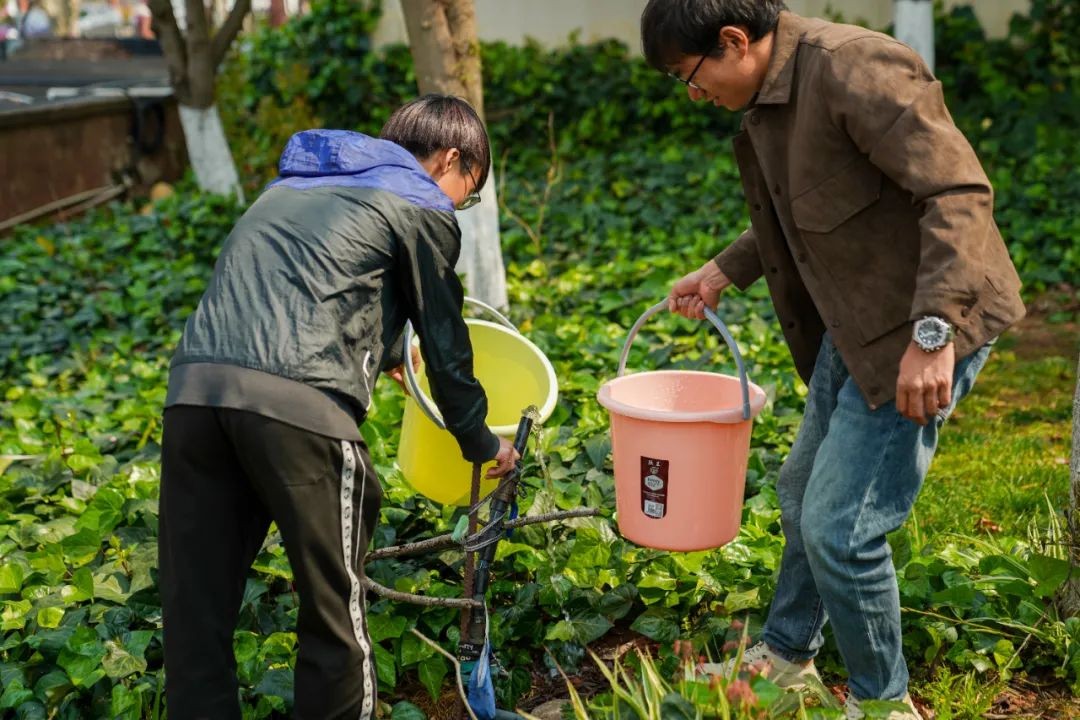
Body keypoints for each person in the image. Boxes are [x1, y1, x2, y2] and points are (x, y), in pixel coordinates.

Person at [640, 1, 1025, 718]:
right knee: (799, 494)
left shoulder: (853, 67)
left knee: (841, 530)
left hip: (925, 325)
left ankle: (884, 705)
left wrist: (933, 335)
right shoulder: (770, 95)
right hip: (856, 322)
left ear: (733, 40)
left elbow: (958, 195)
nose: (693, 96)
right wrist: (724, 270)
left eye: (689, 78)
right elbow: (810, 207)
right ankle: (788, 653)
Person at [159, 94, 519, 720]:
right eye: (471, 190)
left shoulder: (291, 189)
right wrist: (484, 444)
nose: (461, 204)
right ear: (451, 161)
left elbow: (305, 295)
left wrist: (385, 362)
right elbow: (447, 344)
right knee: (334, 609)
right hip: (302, 410)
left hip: (194, 394)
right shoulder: (421, 203)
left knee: (196, 612)